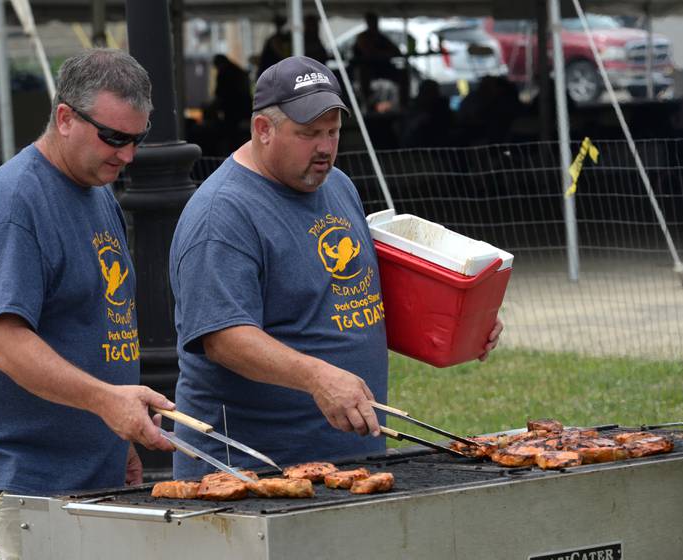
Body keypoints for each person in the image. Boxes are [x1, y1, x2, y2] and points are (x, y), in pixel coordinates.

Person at [169, 55, 503, 479]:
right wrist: (317, 378)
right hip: (254, 474)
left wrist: (463, 324)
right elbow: (222, 336)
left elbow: (357, 298)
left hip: (351, 464)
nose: (326, 147)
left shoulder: (337, 185)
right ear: (263, 130)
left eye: (333, 132)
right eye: (309, 134)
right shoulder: (223, 213)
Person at [0, 48, 175, 558]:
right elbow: (4, 345)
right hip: (14, 481)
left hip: (78, 477)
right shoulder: (10, 203)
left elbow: (95, 322)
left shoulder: (95, 190)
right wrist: (108, 403)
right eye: (113, 137)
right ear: (65, 117)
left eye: (136, 139)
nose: (127, 155)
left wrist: (116, 440)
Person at [351, 12, 407, 109]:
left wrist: (383, 53)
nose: (373, 24)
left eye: (374, 21)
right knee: (362, 73)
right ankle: (366, 103)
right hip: (367, 68)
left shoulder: (380, 37)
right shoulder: (363, 37)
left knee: (403, 74)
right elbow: (368, 52)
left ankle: (403, 104)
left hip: (383, 67)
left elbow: (396, 51)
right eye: (371, 21)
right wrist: (381, 53)